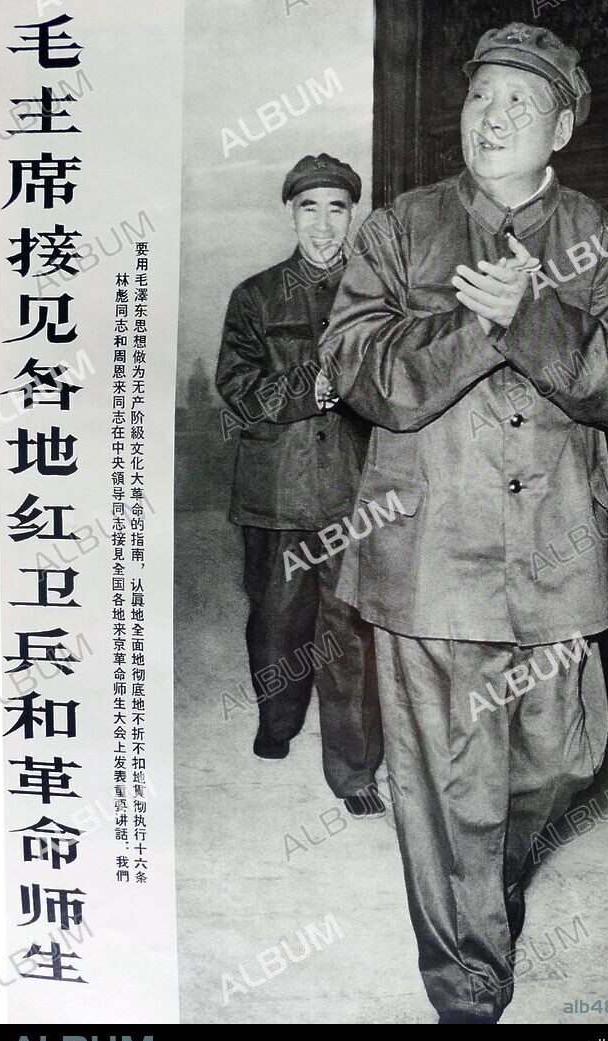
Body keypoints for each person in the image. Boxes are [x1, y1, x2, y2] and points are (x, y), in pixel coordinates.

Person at [321, 23, 608, 1020]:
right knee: (444, 784)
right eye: (480, 97)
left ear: (561, 129)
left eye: (521, 101)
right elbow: (359, 371)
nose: (494, 116)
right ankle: (468, 982)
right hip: (427, 556)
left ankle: (482, 879)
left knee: (564, 760)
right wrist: (479, 322)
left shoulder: (599, 235)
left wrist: (534, 315)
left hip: (557, 555)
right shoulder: (399, 228)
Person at [216, 153, 384, 818]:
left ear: (352, 214)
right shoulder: (254, 296)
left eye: (336, 208)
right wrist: (306, 390)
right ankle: (277, 720)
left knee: (352, 634)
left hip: (353, 490)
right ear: (291, 213)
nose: (322, 224)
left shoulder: (377, 294)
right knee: (276, 622)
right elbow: (236, 385)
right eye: (309, 208)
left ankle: (355, 770)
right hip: (276, 493)